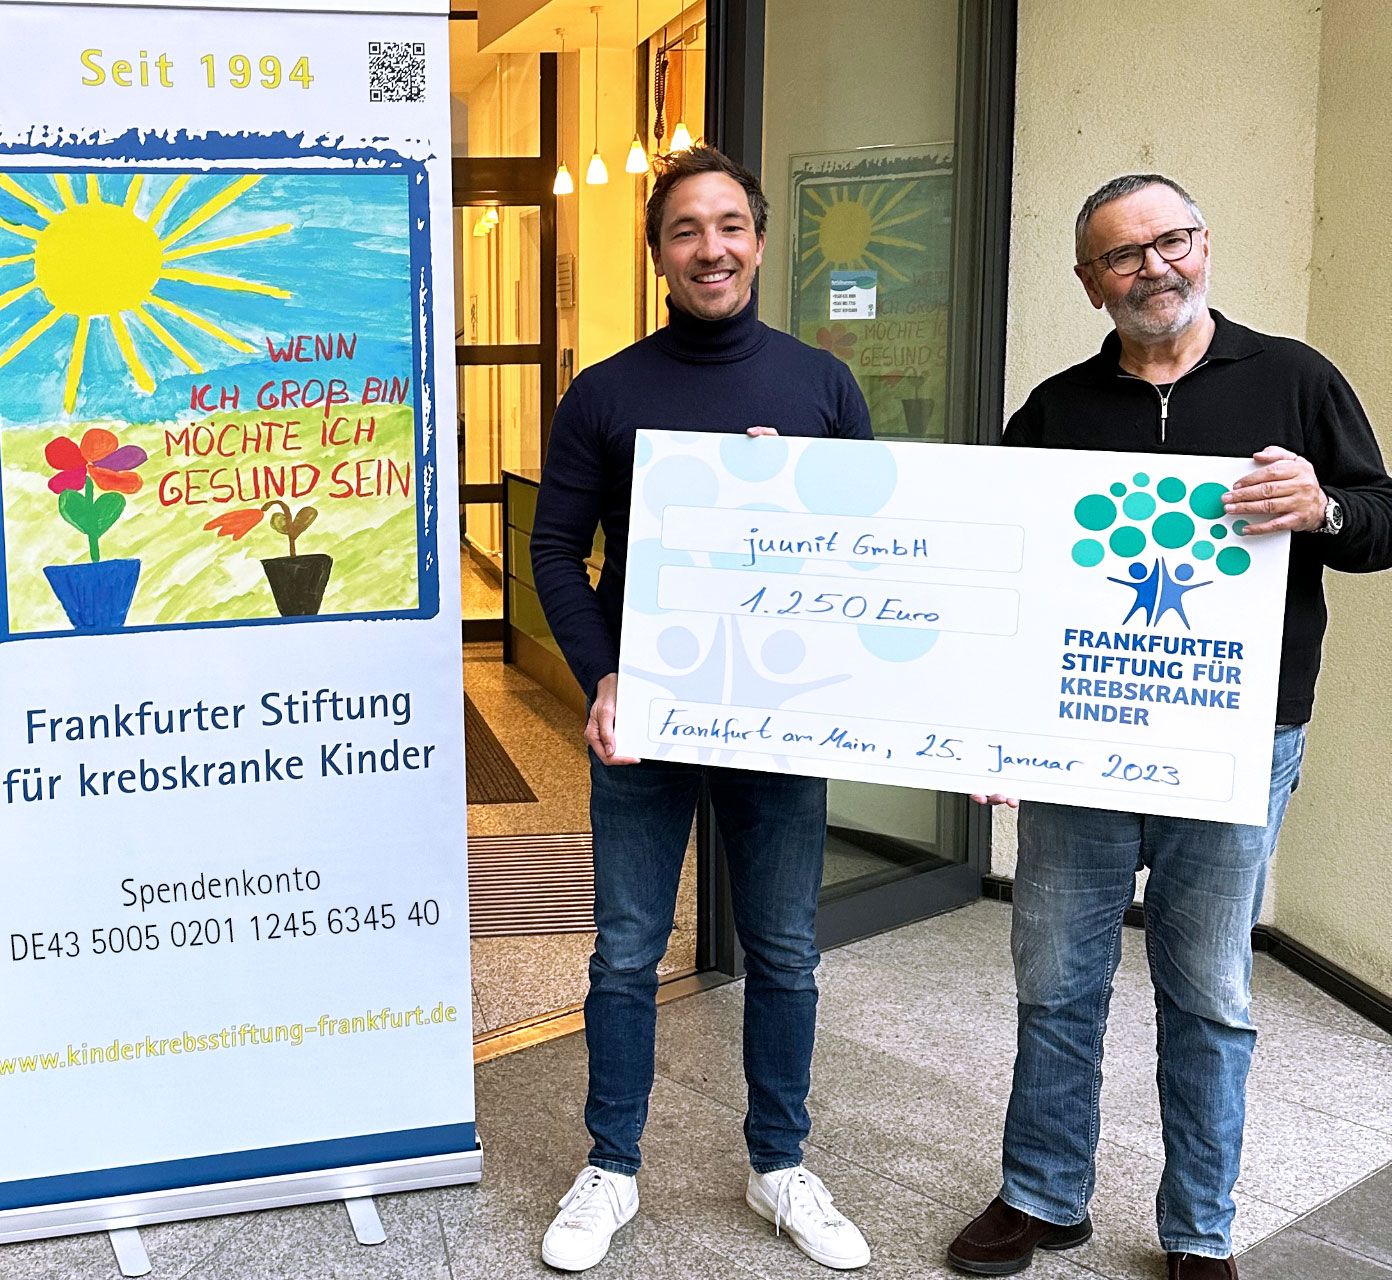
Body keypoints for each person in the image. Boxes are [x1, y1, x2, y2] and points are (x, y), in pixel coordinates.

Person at [947, 174, 1392, 1280]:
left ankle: (1199, 1228)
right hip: (1081, 736)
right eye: (1123, 254)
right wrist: (991, 725)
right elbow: (994, 562)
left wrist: (1323, 508)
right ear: (1089, 282)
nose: (1154, 267)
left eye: (1173, 240)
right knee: (1057, 978)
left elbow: (1383, 518)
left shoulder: (1294, 379)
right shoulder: (1055, 410)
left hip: (1237, 740)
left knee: (1208, 992)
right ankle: (1042, 1193)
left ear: (1204, 244)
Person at [529, 145, 874, 1273]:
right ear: (658, 255)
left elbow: (867, 550)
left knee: (785, 951)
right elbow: (554, 549)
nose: (710, 248)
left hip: (781, 712)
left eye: (730, 226)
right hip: (651, 713)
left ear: (761, 243)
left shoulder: (823, 386)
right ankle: (611, 1166)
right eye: (686, 230)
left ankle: (780, 1162)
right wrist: (604, 674)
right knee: (626, 950)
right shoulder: (607, 391)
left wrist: (796, 494)